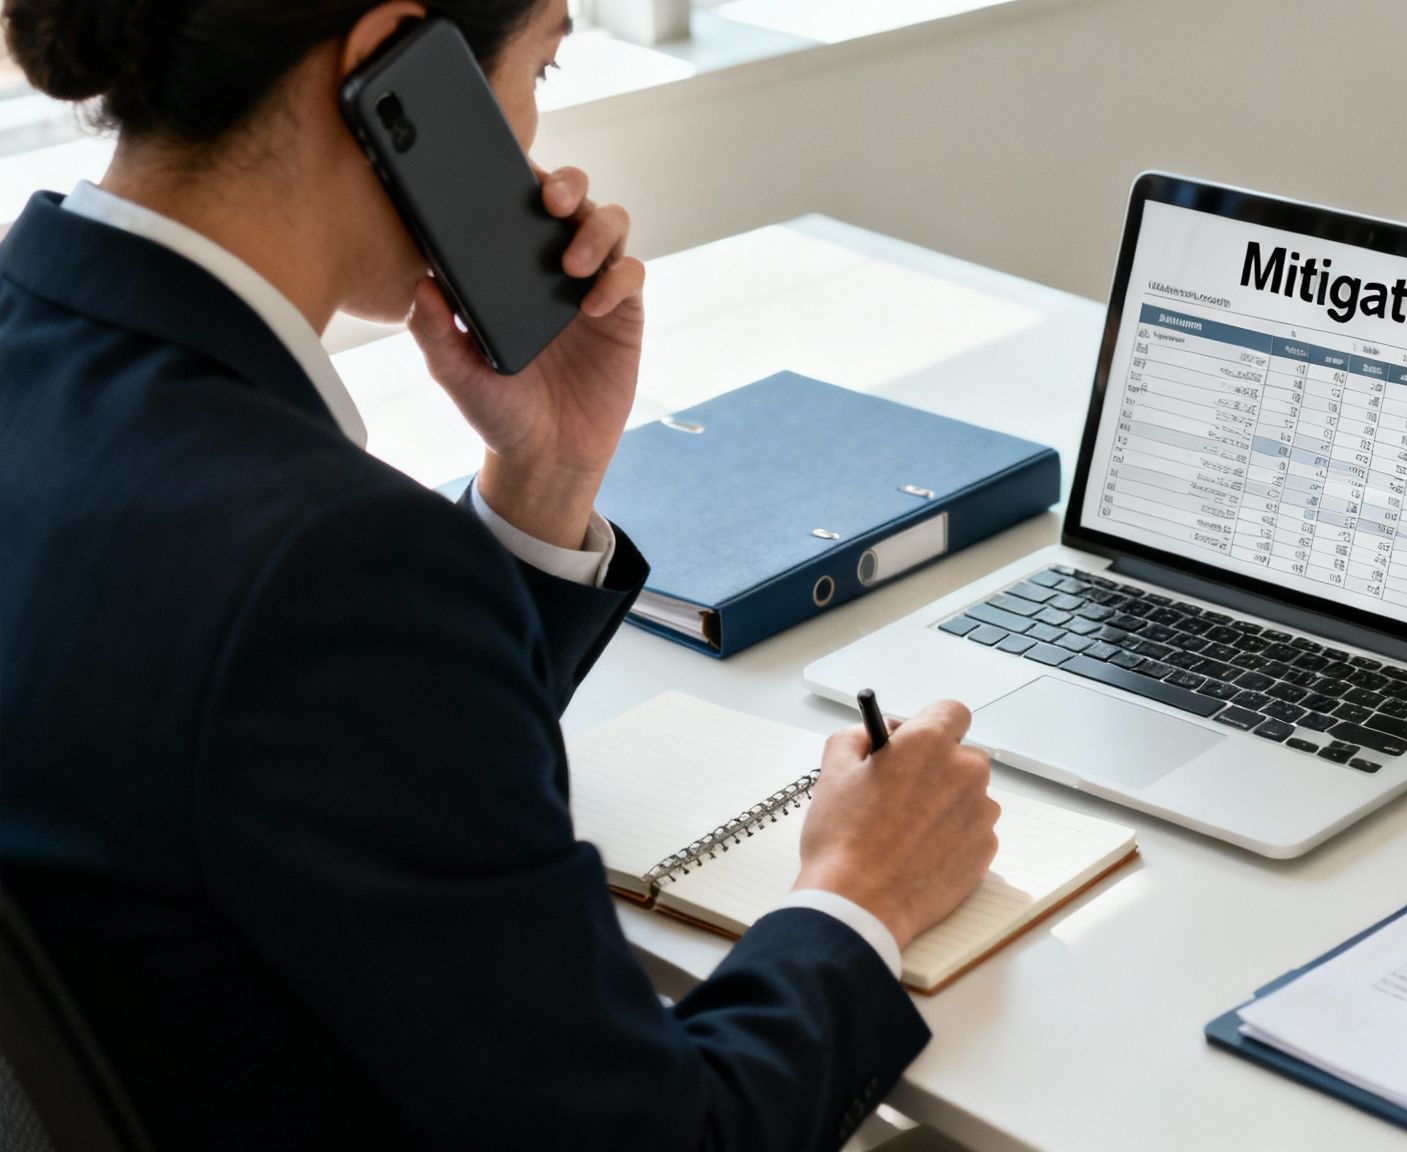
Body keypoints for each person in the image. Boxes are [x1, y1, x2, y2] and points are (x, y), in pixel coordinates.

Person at [0, 1, 1000, 1148]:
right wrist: (861, 890)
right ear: (396, 73)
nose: (530, 151)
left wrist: (548, 475)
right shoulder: (328, 564)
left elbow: (324, 752)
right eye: (540, 68)